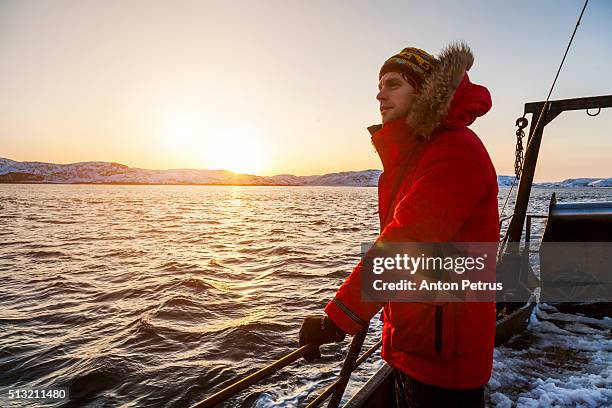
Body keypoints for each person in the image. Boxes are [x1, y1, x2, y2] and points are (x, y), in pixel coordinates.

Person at [298, 43, 500, 407]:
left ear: (423, 90)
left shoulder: (455, 151)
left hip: (445, 357)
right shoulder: (419, 153)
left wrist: (338, 320)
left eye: (392, 84)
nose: (379, 94)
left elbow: (407, 241)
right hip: (421, 339)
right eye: (380, 85)